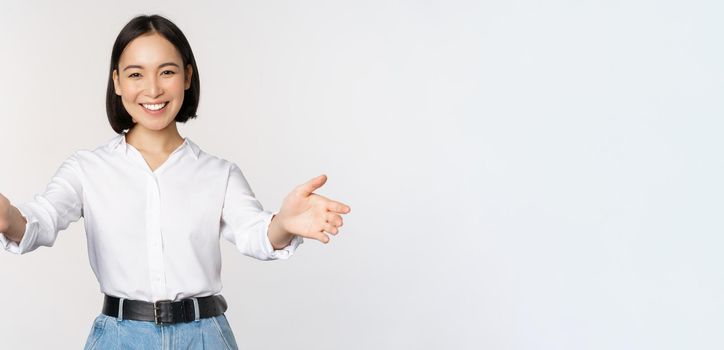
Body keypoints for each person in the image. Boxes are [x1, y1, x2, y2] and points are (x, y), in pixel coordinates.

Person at [0, 14, 350, 350]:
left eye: (166, 72)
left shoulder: (219, 173)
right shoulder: (86, 169)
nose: (152, 89)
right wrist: (7, 218)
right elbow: (37, 222)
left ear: (186, 76)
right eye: (135, 74)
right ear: (117, 82)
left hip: (205, 337)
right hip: (120, 339)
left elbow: (257, 234)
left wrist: (284, 223)